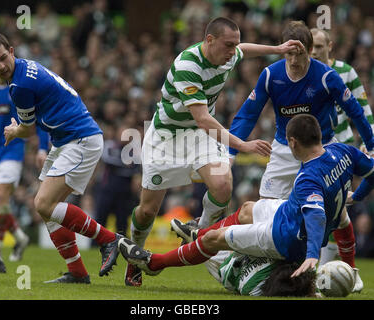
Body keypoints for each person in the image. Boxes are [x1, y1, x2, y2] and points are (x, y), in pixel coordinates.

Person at [126, 16, 304, 287]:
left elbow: (245, 49)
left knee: (222, 184)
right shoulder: (188, 65)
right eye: (228, 45)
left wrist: (277, 50)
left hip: (199, 137)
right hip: (167, 138)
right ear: (209, 40)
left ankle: (201, 232)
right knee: (147, 211)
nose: (233, 51)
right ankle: (134, 259)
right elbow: (203, 119)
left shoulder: (228, 55)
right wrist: (242, 145)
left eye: (235, 45)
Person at [119, 114, 374, 294]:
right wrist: (357, 196)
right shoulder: (343, 151)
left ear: (293, 143)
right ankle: (199, 232)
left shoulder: (309, 178)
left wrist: (310, 255)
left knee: (213, 241)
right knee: (246, 209)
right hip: (287, 212)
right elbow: (371, 171)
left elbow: (316, 216)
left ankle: (154, 264)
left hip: (285, 236)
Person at [228, 20, 373, 292]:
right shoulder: (271, 75)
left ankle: (351, 272)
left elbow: (355, 110)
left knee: (337, 213)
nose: (294, 60)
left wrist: (372, 144)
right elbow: (248, 114)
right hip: (284, 150)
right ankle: (270, 272)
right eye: (289, 53)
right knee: (268, 214)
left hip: (322, 148)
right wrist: (231, 152)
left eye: (300, 53)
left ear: (310, 51)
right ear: (283, 50)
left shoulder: (327, 76)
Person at [0, 32, 122, 284]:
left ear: (11, 51)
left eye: (2, 58)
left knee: (44, 204)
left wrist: (14, 130)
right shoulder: (23, 70)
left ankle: (109, 240)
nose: (0, 66)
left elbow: (29, 129)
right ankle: (77, 272)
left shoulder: (20, 85)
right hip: (65, 140)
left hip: (80, 139)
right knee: (46, 210)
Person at [310, 27, 374, 267]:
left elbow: (364, 111)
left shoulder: (346, 72)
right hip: (311, 151)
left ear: (330, 47)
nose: (314, 51)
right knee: (319, 207)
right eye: (311, 46)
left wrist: (371, 143)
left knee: (334, 209)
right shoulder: (303, 70)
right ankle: (319, 265)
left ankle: (330, 268)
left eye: (318, 46)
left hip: (341, 148)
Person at [0, 76, 49, 261]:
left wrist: (42, 147)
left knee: (1, 197)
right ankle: (20, 237)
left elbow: (38, 117)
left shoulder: (18, 89)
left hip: (12, 151)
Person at [204, 251, 316, 297]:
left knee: (200, 244)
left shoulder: (252, 287)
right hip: (233, 262)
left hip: (224, 264)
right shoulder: (255, 289)